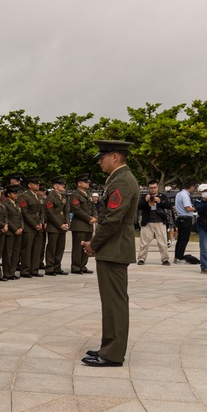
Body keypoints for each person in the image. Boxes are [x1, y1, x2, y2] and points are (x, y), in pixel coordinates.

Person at [81, 140, 139, 367]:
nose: (100, 162)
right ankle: (109, 346)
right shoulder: (118, 179)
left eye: (102, 157)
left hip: (114, 248)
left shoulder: (122, 181)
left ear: (114, 157)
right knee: (111, 301)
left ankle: (113, 353)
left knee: (115, 301)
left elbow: (112, 219)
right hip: (112, 248)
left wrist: (94, 244)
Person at [135, 179, 172, 266]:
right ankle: (141, 258)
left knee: (162, 241)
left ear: (158, 187)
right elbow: (139, 207)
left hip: (160, 221)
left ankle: (165, 259)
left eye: (155, 187)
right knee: (144, 242)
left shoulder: (162, 196)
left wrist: (160, 202)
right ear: (148, 188)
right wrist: (145, 201)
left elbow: (169, 206)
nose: (153, 190)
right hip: (147, 222)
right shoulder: (145, 196)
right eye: (151, 188)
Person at [69, 173, 96, 274]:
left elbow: (93, 207)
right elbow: (77, 209)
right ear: (79, 184)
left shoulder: (88, 195)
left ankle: (83, 265)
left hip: (88, 225)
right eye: (85, 182)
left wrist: (95, 217)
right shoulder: (75, 195)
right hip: (79, 224)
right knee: (78, 246)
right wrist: (88, 218)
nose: (87, 184)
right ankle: (76, 266)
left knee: (87, 246)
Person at [19, 176, 44, 277]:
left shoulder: (38, 196)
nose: (38, 185)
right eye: (35, 183)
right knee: (27, 249)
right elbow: (25, 213)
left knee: (37, 249)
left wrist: (41, 222)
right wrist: (34, 225)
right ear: (29, 185)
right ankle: (25, 270)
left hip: (38, 225)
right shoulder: (24, 196)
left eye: (38, 183)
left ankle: (34, 269)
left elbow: (42, 211)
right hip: (29, 227)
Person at [44, 177, 70, 275]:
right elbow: (50, 213)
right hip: (54, 227)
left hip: (62, 226)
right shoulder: (50, 197)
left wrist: (67, 223)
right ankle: (50, 268)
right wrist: (60, 225)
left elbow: (67, 211)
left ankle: (57, 266)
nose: (63, 186)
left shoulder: (63, 197)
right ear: (55, 186)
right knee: (52, 247)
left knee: (60, 247)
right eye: (61, 184)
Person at [2, 185, 23, 279]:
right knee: (8, 253)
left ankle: (12, 271)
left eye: (17, 193)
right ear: (9, 194)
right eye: (14, 193)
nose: (16, 195)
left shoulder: (17, 204)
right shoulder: (5, 204)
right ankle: (7, 272)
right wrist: (15, 229)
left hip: (19, 231)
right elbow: (7, 219)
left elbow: (21, 217)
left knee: (16, 253)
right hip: (11, 232)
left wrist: (21, 227)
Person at [173, 180, 197, 263]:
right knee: (184, 239)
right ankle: (179, 257)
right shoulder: (185, 195)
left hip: (180, 218)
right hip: (186, 218)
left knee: (180, 239)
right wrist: (197, 207)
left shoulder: (179, 194)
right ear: (191, 187)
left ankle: (177, 256)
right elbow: (188, 208)